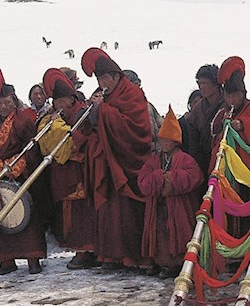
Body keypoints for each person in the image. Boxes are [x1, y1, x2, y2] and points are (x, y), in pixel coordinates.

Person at [81, 48, 152, 269]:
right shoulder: (105, 97)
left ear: (116, 76)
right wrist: (95, 109)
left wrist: (104, 110)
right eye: (99, 79)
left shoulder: (132, 94)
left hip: (128, 161)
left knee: (128, 213)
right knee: (109, 211)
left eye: (105, 78)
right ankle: (110, 256)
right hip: (107, 163)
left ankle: (132, 257)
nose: (103, 83)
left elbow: (135, 128)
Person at [0, 68, 46, 275]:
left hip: (21, 177)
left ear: (14, 101)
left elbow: (31, 149)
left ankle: (33, 259)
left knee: (28, 218)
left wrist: (13, 167)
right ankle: (7, 261)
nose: (4, 107)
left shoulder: (24, 121)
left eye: (8, 102)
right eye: (0, 103)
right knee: (0, 218)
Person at [38, 68, 97, 269]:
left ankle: (86, 251)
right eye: (56, 102)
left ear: (72, 99)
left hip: (79, 170)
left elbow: (83, 138)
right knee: (70, 213)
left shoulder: (82, 113)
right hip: (64, 169)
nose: (58, 105)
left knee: (82, 213)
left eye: (61, 101)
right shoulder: (58, 115)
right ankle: (80, 250)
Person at [138, 107, 202, 278]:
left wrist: (171, 178)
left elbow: (195, 176)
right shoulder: (154, 160)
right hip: (158, 207)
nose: (164, 144)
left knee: (177, 233)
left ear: (175, 142)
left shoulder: (185, 159)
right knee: (159, 235)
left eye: (167, 141)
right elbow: (143, 179)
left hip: (178, 206)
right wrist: (160, 177)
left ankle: (176, 264)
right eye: (162, 140)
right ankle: (159, 262)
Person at [211, 56, 250, 180]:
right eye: (229, 96)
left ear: (244, 93)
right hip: (230, 173)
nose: (232, 100)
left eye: (236, 95)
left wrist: (244, 125)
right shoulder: (223, 113)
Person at [184, 64, 225, 180]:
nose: (202, 87)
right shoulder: (198, 108)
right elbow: (193, 137)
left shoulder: (227, 104)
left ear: (216, 84)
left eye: (205, 83)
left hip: (223, 158)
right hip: (202, 159)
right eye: (199, 83)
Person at [124, 69, 164, 154]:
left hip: (156, 156)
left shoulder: (148, 105)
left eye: (138, 85)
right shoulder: (121, 108)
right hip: (137, 156)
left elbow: (162, 125)